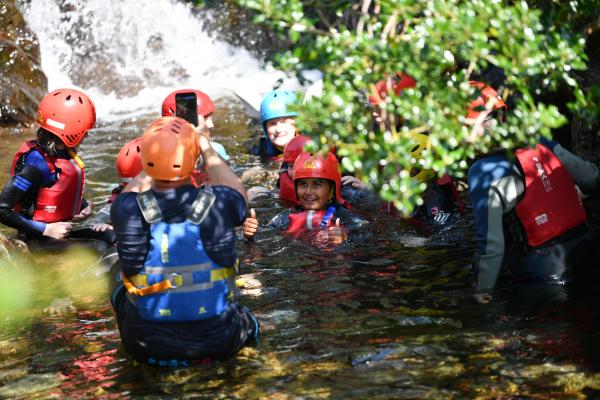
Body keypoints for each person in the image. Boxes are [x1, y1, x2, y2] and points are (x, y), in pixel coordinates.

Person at [110, 116, 258, 366]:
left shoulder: (128, 208)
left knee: (115, 274)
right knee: (249, 322)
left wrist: (154, 161)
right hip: (220, 342)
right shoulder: (219, 201)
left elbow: (127, 197)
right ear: (192, 159)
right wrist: (204, 145)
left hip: (146, 347)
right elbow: (239, 194)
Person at [466, 81, 600, 303]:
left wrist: (482, 293)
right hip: (588, 258)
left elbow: (491, 249)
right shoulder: (540, 141)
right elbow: (592, 179)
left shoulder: (483, 172)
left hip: (542, 279)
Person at [368, 73, 464, 232]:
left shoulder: (420, 141)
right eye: (373, 108)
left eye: (381, 108)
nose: (374, 114)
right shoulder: (387, 135)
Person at [0, 88, 97, 241]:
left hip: (58, 233)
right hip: (36, 238)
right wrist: (45, 229)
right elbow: (2, 209)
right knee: (101, 246)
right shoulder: (36, 164)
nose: (87, 135)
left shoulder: (63, 154)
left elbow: (55, 187)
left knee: (110, 236)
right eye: (84, 131)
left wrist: (81, 207)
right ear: (71, 131)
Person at [246, 151, 367, 248]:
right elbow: (264, 237)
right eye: (303, 184)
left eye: (317, 184)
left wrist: (345, 241)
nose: (308, 192)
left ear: (332, 188)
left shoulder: (343, 217)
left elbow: (363, 239)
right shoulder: (286, 217)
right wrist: (248, 234)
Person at [162, 88, 229, 186]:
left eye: (211, 116)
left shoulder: (217, 149)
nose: (211, 124)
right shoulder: (162, 157)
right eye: (205, 118)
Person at [253, 89, 299, 160]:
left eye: (284, 122)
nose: (278, 129)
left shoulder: (309, 145)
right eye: (273, 123)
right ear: (265, 128)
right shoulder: (260, 150)